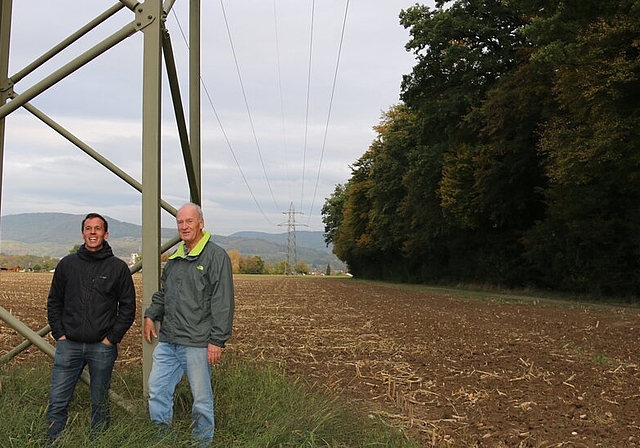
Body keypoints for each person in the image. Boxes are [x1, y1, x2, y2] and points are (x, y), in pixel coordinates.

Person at [143, 203, 234, 447]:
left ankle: (201, 443)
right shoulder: (175, 258)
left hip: (197, 342)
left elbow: (223, 301)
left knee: (201, 400)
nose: (184, 226)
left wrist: (217, 340)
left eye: (189, 221)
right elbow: (164, 293)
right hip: (169, 340)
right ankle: (162, 440)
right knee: (157, 391)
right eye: (180, 222)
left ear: (201, 223)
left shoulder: (215, 256)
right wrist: (151, 314)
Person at [46, 213, 136, 444]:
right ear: (83, 233)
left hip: (102, 348)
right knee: (58, 399)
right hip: (70, 345)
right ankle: (53, 441)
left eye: (98, 228)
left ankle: (99, 442)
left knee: (99, 402)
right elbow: (54, 301)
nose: (93, 232)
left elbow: (127, 308)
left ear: (106, 234)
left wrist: (111, 339)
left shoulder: (118, 268)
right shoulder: (67, 264)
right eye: (88, 228)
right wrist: (60, 335)